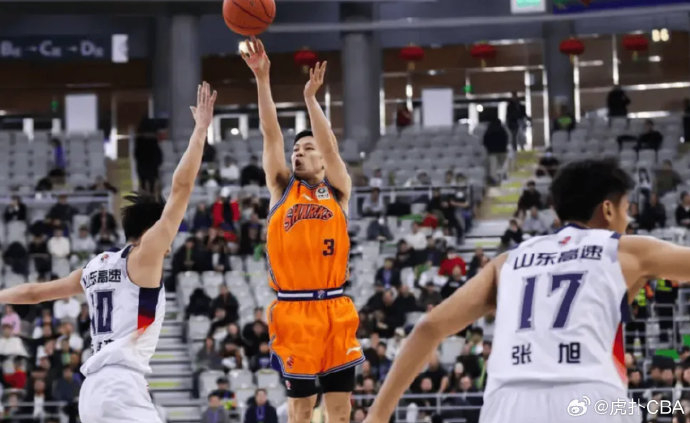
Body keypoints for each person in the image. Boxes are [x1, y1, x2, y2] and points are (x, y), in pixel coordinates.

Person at [362, 158, 690, 423]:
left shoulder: (508, 261)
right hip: (589, 397)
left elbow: (429, 327)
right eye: (625, 209)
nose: (628, 220)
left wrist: (377, 414)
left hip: (508, 404)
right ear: (607, 209)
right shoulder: (625, 249)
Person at [0, 81, 217, 423]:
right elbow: (181, 188)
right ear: (152, 230)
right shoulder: (145, 256)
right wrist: (201, 130)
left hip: (93, 390)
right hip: (120, 385)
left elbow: (33, 293)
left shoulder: (95, 266)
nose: (171, 240)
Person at [242, 39, 362, 423]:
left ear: (323, 160)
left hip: (335, 307)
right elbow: (271, 134)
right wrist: (263, 78)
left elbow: (331, 147)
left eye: (308, 148)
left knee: (340, 411)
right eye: (297, 150)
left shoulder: (338, 189)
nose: (299, 152)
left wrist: (311, 99)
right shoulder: (281, 188)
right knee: (301, 410)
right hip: (294, 308)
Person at [134, 120, 163, 195]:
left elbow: (137, 154)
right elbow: (158, 154)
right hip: (150, 163)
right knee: (150, 179)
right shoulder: (152, 141)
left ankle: (147, 192)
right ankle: (150, 191)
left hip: (145, 162)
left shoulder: (140, 141)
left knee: (146, 179)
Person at [482, 118, 509, 185]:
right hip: (502, 151)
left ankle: (495, 181)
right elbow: (506, 140)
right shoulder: (502, 131)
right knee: (501, 167)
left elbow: (485, 142)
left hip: (492, 152)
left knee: (493, 168)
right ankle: (501, 179)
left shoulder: (488, 131)